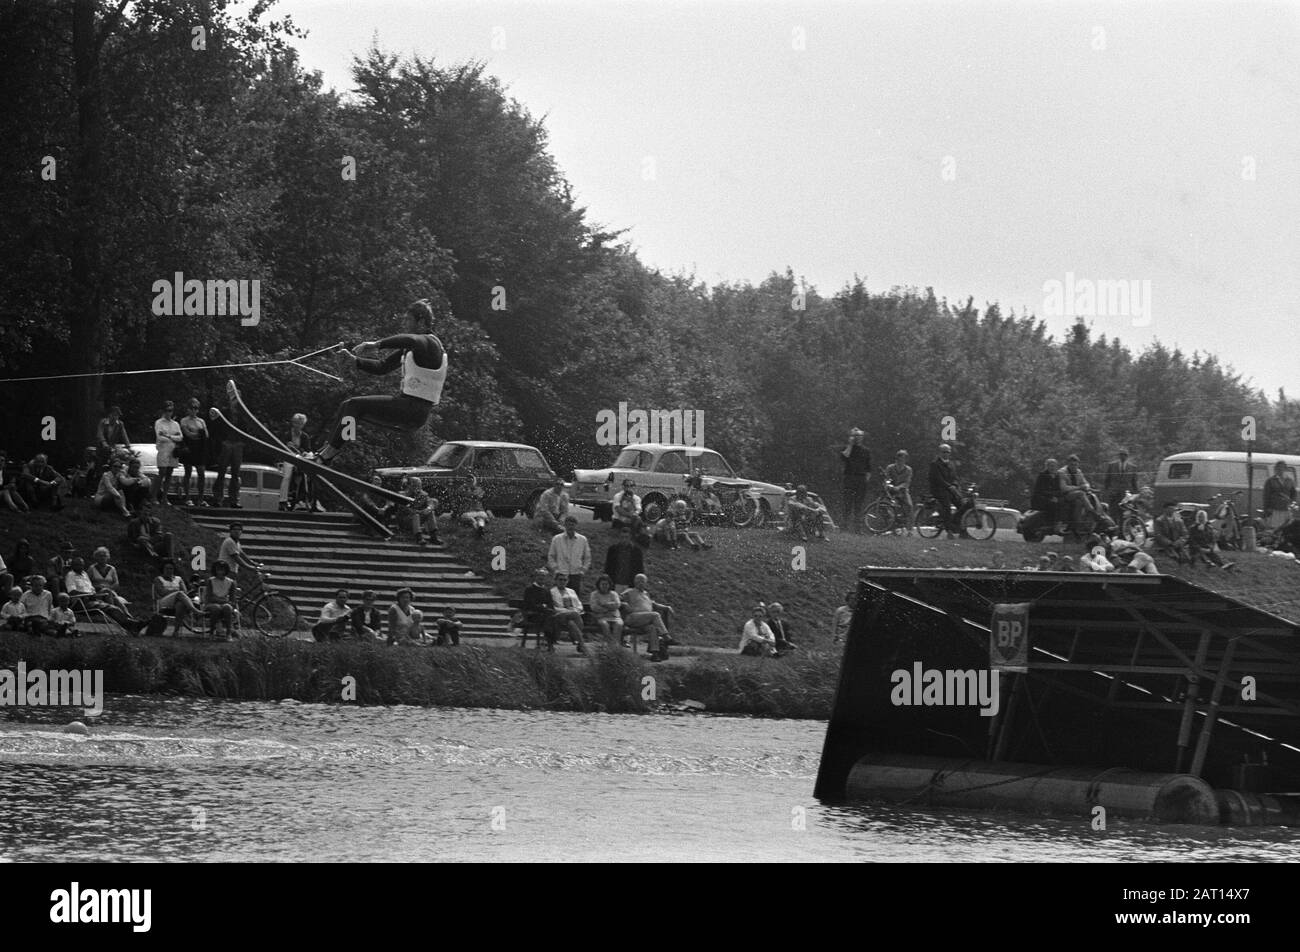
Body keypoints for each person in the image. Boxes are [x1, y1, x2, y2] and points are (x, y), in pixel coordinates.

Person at [316, 299, 448, 466]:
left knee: (354, 406)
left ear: (421, 322)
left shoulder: (431, 343)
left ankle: (328, 456)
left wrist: (376, 345)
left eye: (408, 320)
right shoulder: (415, 347)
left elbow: (410, 340)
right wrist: (354, 361)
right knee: (347, 406)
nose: (405, 325)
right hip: (409, 410)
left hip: (413, 410)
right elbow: (382, 367)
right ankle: (324, 452)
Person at [64, 557, 146, 632]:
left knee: (113, 599)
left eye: (82, 565)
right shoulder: (71, 575)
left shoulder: (84, 574)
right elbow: (72, 592)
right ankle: (131, 625)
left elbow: (91, 588)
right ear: (73, 566)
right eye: (77, 565)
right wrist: (89, 595)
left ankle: (131, 621)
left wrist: (96, 592)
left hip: (92, 599)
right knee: (112, 608)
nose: (80, 567)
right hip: (80, 601)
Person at [209, 389, 246, 508]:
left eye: (238, 398)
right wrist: (222, 441)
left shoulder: (243, 414)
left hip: (238, 444)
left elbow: (246, 429)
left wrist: (242, 442)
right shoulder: (224, 412)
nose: (236, 400)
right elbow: (217, 428)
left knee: (235, 473)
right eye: (234, 397)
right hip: (227, 443)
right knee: (222, 472)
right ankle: (218, 498)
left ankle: (234, 500)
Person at [621, 573, 670, 661]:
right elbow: (618, 599)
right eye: (638, 581)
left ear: (645, 583)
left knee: (653, 628)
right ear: (634, 582)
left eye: (643, 581)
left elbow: (654, 604)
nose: (640, 583)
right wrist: (624, 604)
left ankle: (655, 654)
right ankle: (666, 636)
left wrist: (666, 607)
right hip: (632, 618)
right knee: (655, 614)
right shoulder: (629, 591)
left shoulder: (646, 594)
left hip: (644, 621)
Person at [548, 516, 591, 598]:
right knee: (559, 598)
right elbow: (551, 556)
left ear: (576, 525)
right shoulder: (557, 539)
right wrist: (555, 569)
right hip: (561, 573)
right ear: (565, 525)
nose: (570, 527)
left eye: (572, 525)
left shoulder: (582, 539)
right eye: (568, 525)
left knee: (574, 598)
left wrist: (583, 570)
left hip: (576, 574)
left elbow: (587, 557)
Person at [1057, 454, 1101, 535]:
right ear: (1068, 464)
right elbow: (1063, 488)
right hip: (1064, 495)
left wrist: (1086, 487)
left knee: (1079, 502)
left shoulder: (1078, 471)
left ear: (1078, 464)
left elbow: (1086, 483)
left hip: (1077, 496)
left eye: (1075, 464)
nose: (1074, 466)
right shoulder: (1061, 472)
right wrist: (1079, 487)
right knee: (1080, 493)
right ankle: (1092, 512)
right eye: (1072, 464)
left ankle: (1076, 526)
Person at [178, 398, 210, 507]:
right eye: (192, 408)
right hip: (189, 447)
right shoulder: (184, 420)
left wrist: (198, 434)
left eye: (196, 408)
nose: (194, 410)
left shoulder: (201, 421)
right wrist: (198, 434)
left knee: (201, 472)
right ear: (188, 409)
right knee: (188, 471)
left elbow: (206, 435)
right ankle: (187, 497)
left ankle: (200, 499)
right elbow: (188, 434)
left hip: (199, 448)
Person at [153, 560, 196, 638]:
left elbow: (185, 591)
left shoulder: (178, 579)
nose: (169, 570)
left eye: (171, 568)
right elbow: (162, 592)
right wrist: (175, 591)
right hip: (164, 601)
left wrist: (171, 591)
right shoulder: (158, 579)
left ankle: (176, 632)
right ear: (163, 569)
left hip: (178, 601)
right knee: (179, 593)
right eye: (167, 568)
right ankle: (194, 610)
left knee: (180, 605)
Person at [840, 427, 871, 531]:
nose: (857, 438)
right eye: (855, 436)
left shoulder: (866, 450)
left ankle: (858, 528)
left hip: (861, 479)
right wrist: (850, 445)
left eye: (859, 436)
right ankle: (844, 527)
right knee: (847, 503)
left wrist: (866, 480)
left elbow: (868, 468)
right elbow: (844, 457)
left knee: (859, 505)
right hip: (849, 478)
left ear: (862, 437)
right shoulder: (847, 448)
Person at [928, 444, 963, 536]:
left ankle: (959, 528)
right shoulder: (935, 464)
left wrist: (954, 485)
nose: (946, 454)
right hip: (939, 490)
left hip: (950, 490)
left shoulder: (951, 464)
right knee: (947, 507)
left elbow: (955, 477)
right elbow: (937, 479)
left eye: (948, 452)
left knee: (961, 505)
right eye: (944, 452)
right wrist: (949, 486)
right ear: (939, 453)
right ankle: (949, 531)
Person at [549, 573, 587, 654]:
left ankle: (581, 644)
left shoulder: (571, 591)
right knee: (573, 615)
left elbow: (579, 604)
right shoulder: (552, 592)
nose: (562, 581)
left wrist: (576, 610)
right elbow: (553, 607)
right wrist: (567, 611)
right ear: (556, 580)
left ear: (567, 581)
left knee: (571, 623)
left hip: (573, 616)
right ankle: (581, 644)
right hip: (559, 615)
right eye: (560, 579)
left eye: (565, 580)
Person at [154, 401, 182, 504]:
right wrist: (172, 437)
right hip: (163, 450)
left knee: (169, 474)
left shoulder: (175, 424)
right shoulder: (159, 422)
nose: (169, 413)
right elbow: (160, 437)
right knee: (162, 472)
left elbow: (180, 438)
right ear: (164, 411)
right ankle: (154, 497)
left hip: (172, 451)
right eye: (167, 410)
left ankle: (164, 497)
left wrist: (168, 436)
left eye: (171, 411)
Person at [602, 523, 645, 593]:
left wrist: (639, 583)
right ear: (619, 537)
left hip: (630, 584)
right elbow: (608, 566)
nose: (624, 539)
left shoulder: (636, 551)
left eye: (626, 537)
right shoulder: (613, 549)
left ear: (630, 537)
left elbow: (640, 568)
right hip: (615, 583)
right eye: (622, 537)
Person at [87, 547, 131, 613]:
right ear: (96, 557)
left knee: (113, 597)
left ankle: (128, 616)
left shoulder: (112, 569)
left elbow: (116, 583)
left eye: (104, 556)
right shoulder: (92, 568)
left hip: (110, 591)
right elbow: (87, 582)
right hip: (97, 593)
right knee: (110, 594)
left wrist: (109, 588)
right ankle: (115, 613)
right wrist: (96, 587)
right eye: (100, 556)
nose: (102, 558)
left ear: (108, 557)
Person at [520, 568, 555, 649]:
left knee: (553, 619)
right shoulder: (530, 589)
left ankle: (549, 642)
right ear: (535, 577)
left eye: (543, 576)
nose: (541, 578)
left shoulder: (546, 590)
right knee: (549, 619)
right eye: (539, 576)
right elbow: (530, 604)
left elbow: (550, 603)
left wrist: (547, 608)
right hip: (532, 616)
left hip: (545, 614)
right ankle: (549, 643)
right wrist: (543, 607)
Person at [203, 561, 239, 640]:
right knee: (216, 608)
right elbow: (209, 597)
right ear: (215, 570)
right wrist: (223, 601)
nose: (220, 572)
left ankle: (228, 633)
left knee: (227, 607)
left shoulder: (231, 582)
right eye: (218, 569)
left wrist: (227, 602)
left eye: (222, 569)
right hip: (211, 604)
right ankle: (211, 632)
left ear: (226, 570)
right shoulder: (210, 581)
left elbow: (232, 599)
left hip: (225, 604)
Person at [402, 477, 441, 545]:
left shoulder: (424, 494)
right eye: (414, 485)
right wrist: (419, 512)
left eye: (419, 485)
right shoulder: (403, 495)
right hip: (405, 520)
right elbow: (405, 508)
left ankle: (433, 536)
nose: (417, 487)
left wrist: (428, 508)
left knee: (430, 513)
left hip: (417, 519)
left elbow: (431, 503)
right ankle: (418, 537)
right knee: (416, 515)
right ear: (410, 485)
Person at [883, 450, 915, 534]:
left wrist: (899, 487)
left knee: (909, 506)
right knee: (885, 505)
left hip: (902, 491)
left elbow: (907, 482)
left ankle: (910, 529)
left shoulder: (908, 470)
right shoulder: (890, 467)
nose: (900, 461)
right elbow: (886, 478)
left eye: (903, 460)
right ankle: (890, 527)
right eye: (899, 459)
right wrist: (889, 485)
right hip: (891, 491)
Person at [589, 574, 625, 646]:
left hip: (615, 617)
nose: (604, 586)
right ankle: (610, 645)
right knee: (604, 625)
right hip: (601, 617)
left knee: (619, 624)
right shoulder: (594, 594)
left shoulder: (614, 594)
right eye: (602, 584)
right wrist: (609, 609)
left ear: (609, 585)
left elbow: (617, 604)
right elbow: (594, 607)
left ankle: (615, 645)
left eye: (606, 584)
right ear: (599, 585)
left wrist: (603, 604)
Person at [1103, 448, 1140, 517]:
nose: (1123, 456)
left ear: (1127, 456)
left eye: (1125, 455)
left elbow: (1134, 482)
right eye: (1121, 455)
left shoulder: (1133, 467)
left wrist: (1136, 493)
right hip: (1114, 493)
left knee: (1125, 513)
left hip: (1126, 495)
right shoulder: (1112, 465)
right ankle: (1114, 526)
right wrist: (1106, 491)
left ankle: (1125, 526)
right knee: (1113, 512)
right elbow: (1107, 480)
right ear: (1119, 456)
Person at [1263, 461, 1296, 531]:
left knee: (1287, 527)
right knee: (1274, 528)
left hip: (1286, 508)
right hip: (1275, 509)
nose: (1280, 470)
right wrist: (1266, 508)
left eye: (1282, 468)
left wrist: (1292, 503)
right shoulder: (1270, 481)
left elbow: (1293, 493)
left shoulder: (1289, 480)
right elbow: (1266, 496)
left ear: (1285, 469)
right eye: (1278, 468)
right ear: (1275, 469)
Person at [1030, 458, 1062, 523]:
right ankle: (1052, 524)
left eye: (1054, 466)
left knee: (1064, 503)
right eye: (1051, 466)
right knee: (1053, 505)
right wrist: (1051, 496)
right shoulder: (1042, 475)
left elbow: (1059, 489)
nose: (1052, 468)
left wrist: (1055, 496)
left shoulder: (1057, 476)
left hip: (1053, 497)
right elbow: (1041, 490)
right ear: (1047, 466)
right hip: (1041, 498)